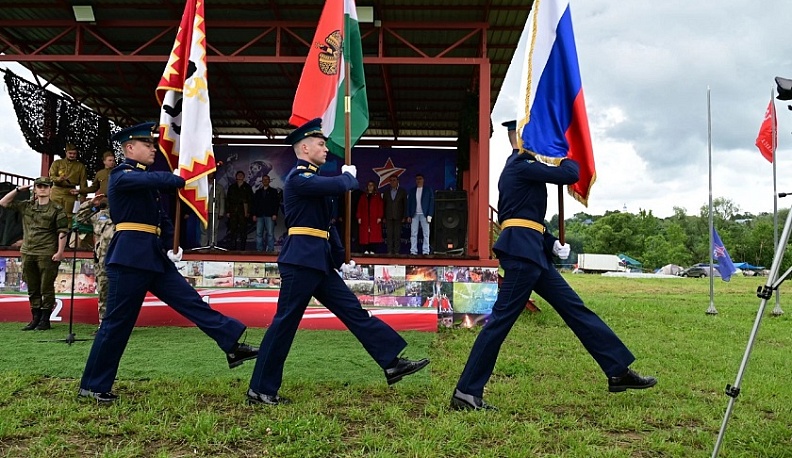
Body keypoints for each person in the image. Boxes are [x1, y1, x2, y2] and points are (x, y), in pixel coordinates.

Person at [450, 120, 657, 411]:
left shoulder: (522, 169)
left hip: (533, 253)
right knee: (499, 323)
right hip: (522, 256)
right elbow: (568, 173)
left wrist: (551, 244)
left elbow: (524, 216)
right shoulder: (520, 164)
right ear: (520, 139)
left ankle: (617, 370)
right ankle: (466, 392)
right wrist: (563, 150)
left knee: (576, 309)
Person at [246, 118, 429, 406]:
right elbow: (335, 187)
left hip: (319, 262)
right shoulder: (298, 178)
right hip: (300, 262)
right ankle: (260, 389)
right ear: (304, 148)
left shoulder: (314, 180)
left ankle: (392, 362)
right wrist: (347, 178)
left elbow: (326, 225)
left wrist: (340, 255)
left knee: (354, 311)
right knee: (284, 325)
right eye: (320, 144)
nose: (325, 148)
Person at [78, 122, 258, 403]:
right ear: (129, 148)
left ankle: (231, 343)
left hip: (153, 256)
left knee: (190, 300)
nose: (153, 149)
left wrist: (172, 243)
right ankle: (92, 385)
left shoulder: (145, 181)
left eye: (152, 144)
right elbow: (157, 181)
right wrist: (182, 173)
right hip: (129, 258)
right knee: (116, 324)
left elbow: (161, 218)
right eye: (147, 145)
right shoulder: (121, 175)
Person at [0, 176, 68, 331]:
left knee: (46, 287)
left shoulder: (56, 209)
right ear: (35, 189)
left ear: (50, 189)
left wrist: (60, 252)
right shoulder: (27, 206)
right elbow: (3, 203)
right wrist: (17, 190)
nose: (42, 189)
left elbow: (62, 231)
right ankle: (35, 317)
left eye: (45, 186)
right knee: (32, 286)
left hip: (46, 252)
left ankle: (45, 319)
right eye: (39, 186)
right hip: (28, 251)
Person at [75, 194, 114, 326]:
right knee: (103, 292)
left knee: (123, 293)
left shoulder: (128, 214)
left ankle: (122, 325)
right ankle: (103, 325)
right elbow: (79, 219)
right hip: (103, 261)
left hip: (124, 260)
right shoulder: (100, 215)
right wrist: (90, 203)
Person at [49, 143, 89, 226]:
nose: (72, 155)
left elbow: (83, 183)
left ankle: (66, 237)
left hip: (71, 192)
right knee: (52, 213)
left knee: (69, 216)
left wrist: (82, 196)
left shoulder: (80, 166)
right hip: (56, 191)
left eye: (74, 154)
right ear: (66, 152)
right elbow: (51, 176)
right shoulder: (57, 163)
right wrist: (58, 179)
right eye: (70, 153)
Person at [407, 173, 434, 256]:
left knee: (426, 233)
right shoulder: (412, 190)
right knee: (413, 233)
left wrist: (430, 214)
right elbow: (409, 203)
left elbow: (431, 203)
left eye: (420, 179)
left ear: (423, 180)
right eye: (417, 179)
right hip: (414, 214)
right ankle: (413, 251)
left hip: (424, 214)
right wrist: (408, 215)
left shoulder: (428, 190)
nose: (418, 180)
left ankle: (426, 251)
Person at [252, 175, 280, 252]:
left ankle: (270, 250)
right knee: (259, 233)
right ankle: (259, 249)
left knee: (270, 233)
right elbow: (255, 204)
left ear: (269, 181)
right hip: (259, 215)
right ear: (262, 181)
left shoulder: (273, 191)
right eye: (264, 180)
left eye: (267, 179)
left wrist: (275, 214)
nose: (265, 181)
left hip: (270, 215)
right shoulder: (258, 192)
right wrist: (254, 214)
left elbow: (276, 204)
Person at [226, 170, 253, 250]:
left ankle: (242, 248)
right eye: (238, 175)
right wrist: (228, 211)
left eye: (241, 175)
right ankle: (232, 247)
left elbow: (250, 200)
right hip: (233, 211)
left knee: (243, 230)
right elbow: (228, 200)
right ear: (236, 177)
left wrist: (248, 212)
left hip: (243, 211)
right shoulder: (232, 187)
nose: (240, 176)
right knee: (233, 229)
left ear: (244, 177)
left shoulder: (247, 187)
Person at [356, 180, 384, 254]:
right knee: (365, 235)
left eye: (372, 185)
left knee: (373, 235)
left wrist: (379, 216)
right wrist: (359, 217)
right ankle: (365, 250)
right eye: (369, 185)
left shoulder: (377, 196)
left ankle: (372, 250)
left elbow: (380, 207)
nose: (370, 187)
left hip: (374, 218)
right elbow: (359, 207)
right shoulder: (363, 196)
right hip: (365, 218)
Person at [382, 175, 407, 255]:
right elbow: (384, 205)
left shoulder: (402, 191)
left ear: (397, 181)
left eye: (394, 180)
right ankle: (389, 251)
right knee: (389, 235)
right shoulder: (386, 192)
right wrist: (384, 216)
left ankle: (396, 251)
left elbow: (405, 204)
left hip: (398, 216)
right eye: (391, 180)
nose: (392, 182)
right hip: (388, 216)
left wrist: (404, 216)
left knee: (397, 234)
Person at [199, 172, 226, 247]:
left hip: (215, 211)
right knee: (203, 229)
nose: (209, 176)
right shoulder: (202, 187)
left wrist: (221, 212)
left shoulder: (219, 187)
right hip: (204, 211)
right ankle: (203, 245)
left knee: (214, 230)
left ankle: (213, 245)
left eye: (211, 174)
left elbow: (222, 200)